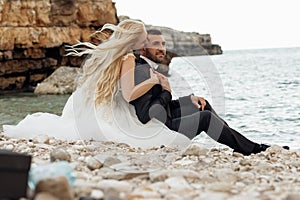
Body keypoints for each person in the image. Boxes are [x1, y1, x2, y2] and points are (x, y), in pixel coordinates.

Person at [2, 20, 191, 148]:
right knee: (155, 137)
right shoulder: (127, 57)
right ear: (134, 40)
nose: (145, 43)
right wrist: (153, 80)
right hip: (104, 108)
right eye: (143, 39)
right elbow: (129, 95)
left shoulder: (110, 54)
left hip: (81, 103)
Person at [129, 29, 289, 155]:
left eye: (163, 44)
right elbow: (146, 114)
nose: (162, 48)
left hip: (165, 118)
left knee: (201, 104)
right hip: (160, 129)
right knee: (205, 118)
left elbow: (159, 105)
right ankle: (252, 148)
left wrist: (187, 100)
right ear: (143, 48)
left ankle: (241, 144)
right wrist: (166, 91)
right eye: (156, 44)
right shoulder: (142, 70)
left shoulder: (149, 67)